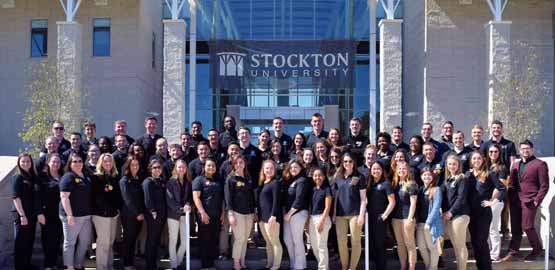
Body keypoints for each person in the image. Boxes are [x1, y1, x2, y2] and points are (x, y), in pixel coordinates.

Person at [501, 140, 549, 262]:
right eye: (523, 149)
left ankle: (537, 248)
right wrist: (510, 196)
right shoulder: (515, 164)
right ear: (520, 150)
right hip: (515, 200)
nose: (525, 151)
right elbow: (511, 182)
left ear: (532, 149)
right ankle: (513, 252)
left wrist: (537, 201)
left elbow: (544, 186)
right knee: (516, 228)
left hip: (530, 200)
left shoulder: (540, 164)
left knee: (527, 226)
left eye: (527, 148)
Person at [467, 151, 506, 270]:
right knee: (474, 243)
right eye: (474, 158)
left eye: (479, 158)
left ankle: (487, 267)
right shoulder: (467, 175)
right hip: (471, 213)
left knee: (482, 242)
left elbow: (502, 188)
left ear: (483, 160)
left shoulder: (489, 173)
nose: (476, 161)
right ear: (471, 161)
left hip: (484, 213)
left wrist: (493, 201)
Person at [333, 152, 367, 270]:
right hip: (340, 215)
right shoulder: (338, 177)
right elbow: (336, 197)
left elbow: (363, 199)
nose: (347, 163)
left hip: (355, 214)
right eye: (345, 161)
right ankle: (344, 266)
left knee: (355, 242)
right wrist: (334, 214)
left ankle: (352, 268)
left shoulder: (359, 177)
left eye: (350, 161)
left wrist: (362, 215)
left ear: (354, 163)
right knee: (341, 243)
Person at [59, 153, 93, 270]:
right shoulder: (68, 177)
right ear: (70, 163)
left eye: (80, 161)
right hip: (72, 215)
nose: (78, 163)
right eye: (75, 161)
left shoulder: (85, 175)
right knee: (70, 242)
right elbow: (64, 197)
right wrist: (69, 215)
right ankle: (69, 266)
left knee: (85, 241)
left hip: (85, 215)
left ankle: (78, 264)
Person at [225, 155, 256, 270]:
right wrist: (230, 214)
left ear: (244, 164)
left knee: (245, 238)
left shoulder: (248, 178)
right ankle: (236, 263)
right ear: (233, 165)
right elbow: (228, 198)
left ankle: (242, 261)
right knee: (239, 238)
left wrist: (254, 212)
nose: (239, 165)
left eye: (241, 162)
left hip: (249, 213)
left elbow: (252, 197)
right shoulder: (231, 179)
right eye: (236, 163)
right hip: (237, 213)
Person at [91, 153, 122, 270]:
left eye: (110, 161)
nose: (108, 163)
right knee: (103, 243)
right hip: (100, 214)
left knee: (110, 242)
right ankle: (102, 267)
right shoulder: (96, 177)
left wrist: (117, 210)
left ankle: (109, 266)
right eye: (105, 161)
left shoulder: (115, 177)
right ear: (101, 162)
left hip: (113, 214)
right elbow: (95, 197)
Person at [192, 159, 224, 270]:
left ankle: (211, 265)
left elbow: (222, 198)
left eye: (213, 165)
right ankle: (205, 266)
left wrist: (223, 213)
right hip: (205, 215)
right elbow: (196, 197)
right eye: (209, 165)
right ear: (204, 167)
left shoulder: (218, 180)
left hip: (217, 215)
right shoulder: (199, 180)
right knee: (205, 240)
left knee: (213, 240)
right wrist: (202, 213)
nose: (211, 167)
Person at [12, 153, 40, 270]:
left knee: (29, 241)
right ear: (19, 163)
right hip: (22, 215)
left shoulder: (32, 176)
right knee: (20, 243)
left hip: (31, 215)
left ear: (31, 163)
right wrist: (22, 215)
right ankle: (19, 266)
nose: (25, 163)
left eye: (28, 161)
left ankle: (27, 264)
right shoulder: (18, 177)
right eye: (23, 161)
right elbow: (15, 197)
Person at [441, 154, 470, 270]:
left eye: (454, 164)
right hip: (450, 216)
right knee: (456, 246)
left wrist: (451, 212)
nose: (452, 166)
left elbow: (461, 198)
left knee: (460, 245)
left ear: (458, 165)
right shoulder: (446, 181)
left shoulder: (462, 178)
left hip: (460, 215)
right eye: (449, 164)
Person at [366, 161, 395, 270]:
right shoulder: (369, 183)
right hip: (369, 218)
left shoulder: (386, 184)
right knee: (371, 244)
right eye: (373, 169)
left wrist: (384, 216)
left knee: (380, 245)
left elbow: (392, 202)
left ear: (382, 170)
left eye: (378, 168)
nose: (375, 171)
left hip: (380, 218)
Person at [282, 160, 311, 270]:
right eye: (291, 167)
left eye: (296, 167)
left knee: (297, 240)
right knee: (287, 239)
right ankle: (295, 263)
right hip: (289, 215)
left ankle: (299, 266)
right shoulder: (290, 181)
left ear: (300, 168)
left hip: (298, 213)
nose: (293, 169)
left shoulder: (302, 181)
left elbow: (299, 200)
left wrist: (289, 214)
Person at [391, 161, 418, 270]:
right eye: (399, 169)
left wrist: (410, 219)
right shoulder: (394, 184)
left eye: (404, 169)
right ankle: (403, 266)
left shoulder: (411, 184)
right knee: (400, 244)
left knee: (410, 244)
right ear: (396, 171)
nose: (401, 171)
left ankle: (412, 267)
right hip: (396, 218)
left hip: (407, 217)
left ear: (408, 171)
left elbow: (413, 204)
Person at [119, 156, 145, 270]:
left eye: (137, 165)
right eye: (133, 165)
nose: (135, 167)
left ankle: (131, 261)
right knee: (128, 240)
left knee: (133, 239)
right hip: (130, 215)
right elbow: (127, 199)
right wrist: (137, 213)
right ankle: (127, 264)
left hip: (139, 215)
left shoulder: (138, 179)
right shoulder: (124, 180)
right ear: (128, 166)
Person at [39, 153, 64, 270]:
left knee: (57, 239)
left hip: (60, 214)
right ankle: (48, 265)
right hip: (47, 214)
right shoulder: (42, 177)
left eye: (58, 162)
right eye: (53, 161)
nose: (56, 164)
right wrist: (39, 213)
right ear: (48, 163)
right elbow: (37, 196)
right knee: (48, 240)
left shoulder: (63, 176)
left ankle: (53, 264)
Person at [166, 159, 193, 269]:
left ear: (186, 169)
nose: (181, 169)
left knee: (185, 242)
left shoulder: (188, 182)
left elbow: (190, 198)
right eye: (179, 167)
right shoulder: (170, 182)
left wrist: (188, 204)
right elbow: (169, 200)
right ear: (175, 169)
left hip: (185, 216)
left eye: (183, 167)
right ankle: (174, 265)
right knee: (173, 240)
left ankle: (178, 260)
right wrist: (181, 209)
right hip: (173, 215)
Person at [257, 160, 283, 270]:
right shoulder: (262, 183)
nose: (269, 170)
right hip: (262, 218)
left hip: (271, 218)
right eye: (267, 168)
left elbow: (277, 201)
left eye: (271, 168)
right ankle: (270, 263)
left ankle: (276, 266)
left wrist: (273, 216)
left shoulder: (275, 183)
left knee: (275, 242)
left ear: (275, 170)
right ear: (263, 170)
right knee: (268, 243)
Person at [416, 167, 443, 270]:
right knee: (421, 247)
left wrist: (428, 222)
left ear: (433, 176)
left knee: (432, 247)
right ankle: (429, 267)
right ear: (421, 176)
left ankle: (433, 268)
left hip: (431, 224)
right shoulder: (420, 190)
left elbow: (436, 207)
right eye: (424, 175)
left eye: (429, 175)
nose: (426, 177)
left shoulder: (436, 190)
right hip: (420, 223)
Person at [485, 144, 508, 261]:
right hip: (487, 202)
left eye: (495, 152)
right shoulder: (488, 167)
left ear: (499, 153)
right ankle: (489, 251)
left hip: (496, 202)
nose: (493, 154)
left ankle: (495, 254)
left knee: (493, 228)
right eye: (491, 152)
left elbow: (500, 187)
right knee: (488, 228)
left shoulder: (502, 167)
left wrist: (492, 201)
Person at [143, 159, 167, 270]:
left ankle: (154, 263)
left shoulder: (161, 181)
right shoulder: (148, 182)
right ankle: (150, 265)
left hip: (162, 214)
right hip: (153, 215)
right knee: (152, 239)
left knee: (156, 239)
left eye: (159, 167)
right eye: (154, 167)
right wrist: (153, 211)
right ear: (150, 169)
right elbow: (148, 199)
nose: (157, 169)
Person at [309, 168, 333, 270]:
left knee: (321, 246)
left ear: (323, 177)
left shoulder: (327, 189)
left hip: (322, 218)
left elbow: (328, 207)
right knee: (314, 246)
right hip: (312, 219)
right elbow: (311, 206)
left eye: (319, 175)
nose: (317, 177)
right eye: (315, 175)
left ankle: (323, 268)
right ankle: (322, 266)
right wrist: (307, 221)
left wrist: (321, 222)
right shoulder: (313, 189)